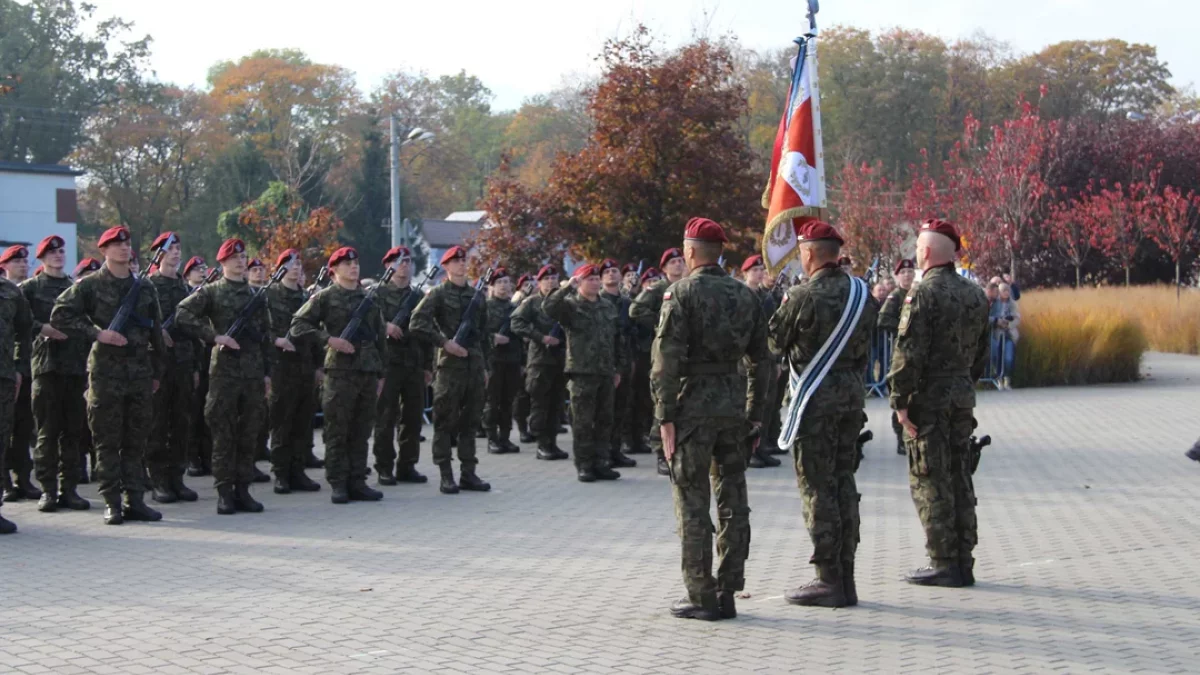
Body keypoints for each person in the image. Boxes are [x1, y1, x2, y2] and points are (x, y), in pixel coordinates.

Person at [653, 217, 769, 621]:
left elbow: (665, 362)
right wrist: (755, 414)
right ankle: (729, 590)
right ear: (720, 252)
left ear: (688, 252)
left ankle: (702, 594)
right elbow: (762, 362)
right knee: (734, 499)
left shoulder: (679, 294)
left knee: (692, 501)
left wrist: (664, 417)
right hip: (733, 408)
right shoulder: (745, 296)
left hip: (693, 409)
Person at [768, 221, 879, 608]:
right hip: (851, 397)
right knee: (843, 482)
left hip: (814, 402)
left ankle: (828, 578)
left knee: (817, 489)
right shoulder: (863, 294)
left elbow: (774, 341)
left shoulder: (802, 296)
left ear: (810, 253)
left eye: (801, 251)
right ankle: (845, 576)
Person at [887, 219, 991, 587]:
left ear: (926, 252)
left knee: (929, 478)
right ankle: (963, 557)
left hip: (928, 398)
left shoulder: (923, 294)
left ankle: (943, 560)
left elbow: (908, 353)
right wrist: (964, 382)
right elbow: (982, 352)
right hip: (961, 396)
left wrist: (899, 400)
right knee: (960, 474)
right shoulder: (976, 294)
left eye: (917, 248)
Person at [51, 226, 166, 525]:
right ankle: (112, 503)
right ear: (103, 250)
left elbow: (155, 330)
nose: (123, 249)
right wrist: (97, 333)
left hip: (140, 372)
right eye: (116, 245)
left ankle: (135, 500)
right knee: (106, 440)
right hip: (106, 373)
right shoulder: (89, 285)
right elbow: (61, 314)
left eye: (127, 243)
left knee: (135, 440)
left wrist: (157, 372)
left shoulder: (145, 287)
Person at [174, 238, 271, 515]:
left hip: (252, 373)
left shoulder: (257, 295)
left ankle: (243, 490)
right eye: (235, 258)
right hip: (225, 372)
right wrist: (213, 336)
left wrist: (267, 373)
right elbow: (183, 313)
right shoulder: (212, 292)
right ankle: (224, 492)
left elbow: (266, 335)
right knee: (224, 434)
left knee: (249, 433)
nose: (241, 262)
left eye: (243, 257)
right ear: (223, 262)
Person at [289, 247, 387, 503]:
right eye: (346, 264)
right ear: (334, 270)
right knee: (337, 430)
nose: (354, 267)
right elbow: (298, 325)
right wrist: (329, 339)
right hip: (339, 371)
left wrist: (381, 373)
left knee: (362, 429)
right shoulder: (324, 297)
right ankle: (338, 482)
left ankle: (358, 481)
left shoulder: (370, 299)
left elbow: (380, 336)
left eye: (355, 263)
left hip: (367, 371)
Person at [410, 246, 493, 494]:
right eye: (455, 261)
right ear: (445, 266)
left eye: (463, 260)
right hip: (449, 368)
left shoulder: (476, 295)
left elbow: (485, 332)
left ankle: (469, 472)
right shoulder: (437, 294)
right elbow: (417, 323)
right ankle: (446, 474)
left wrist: (486, 366)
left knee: (470, 421)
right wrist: (445, 342)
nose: (461, 264)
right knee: (445, 422)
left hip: (474, 365)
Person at [20, 236, 90, 512]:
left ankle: (69, 488)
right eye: (53, 252)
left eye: (62, 252)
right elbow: (20, 320)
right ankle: (48, 490)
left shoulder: (74, 289)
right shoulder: (30, 288)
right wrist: (43, 329)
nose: (59, 256)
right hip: (46, 367)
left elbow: (87, 321)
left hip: (74, 367)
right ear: (42, 258)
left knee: (73, 432)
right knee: (47, 433)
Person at [544, 264, 627, 481]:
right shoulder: (571, 306)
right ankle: (584, 465)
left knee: (604, 420)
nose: (595, 282)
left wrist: (618, 368)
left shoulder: (607, 306)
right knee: (582, 422)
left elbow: (616, 338)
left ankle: (602, 463)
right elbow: (549, 307)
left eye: (596, 279)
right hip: (582, 372)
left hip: (606, 371)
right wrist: (566, 287)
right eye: (588, 279)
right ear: (579, 282)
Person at [144, 232, 200, 505]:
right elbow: (139, 323)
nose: (176, 253)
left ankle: (177, 478)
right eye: (170, 249)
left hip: (183, 363)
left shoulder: (185, 289)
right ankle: (158, 480)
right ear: (158, 254)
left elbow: (195, 329)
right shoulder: (146, 286)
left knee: (181, 422)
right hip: (157, 365)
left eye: (179, 248)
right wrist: (156, 334)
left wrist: (196, 367)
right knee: (157, 423)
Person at [372, 246, 433, 484]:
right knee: (386, 417)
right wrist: (384, 326)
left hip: (414, 363)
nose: (405, 265)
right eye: (399, 261)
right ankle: (384, 467)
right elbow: (366, 325)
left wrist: (428, 365)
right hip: (387, 364)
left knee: (413, 418)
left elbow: (427, 331)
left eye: (408, 261)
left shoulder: (418, 296)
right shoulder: (376, 294)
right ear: (388, 266)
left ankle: (407, 466)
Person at [265, 249, 323, 494]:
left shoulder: (306, 299)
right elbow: (257, 329)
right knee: (282, 422)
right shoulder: (268, 295)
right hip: (280, 366)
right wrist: (276, 340)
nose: (297, 267)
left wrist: (319, 365)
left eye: (298, 263)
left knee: (302, 422)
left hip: (305, 366)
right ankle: (281, 473)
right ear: (280, 269)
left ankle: (298, 471)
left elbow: (316, 332)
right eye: (290, 263)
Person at [631, 247, 688, 476]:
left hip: (685, 352)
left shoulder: (687, 286)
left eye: (680, 261)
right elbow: (635, 310)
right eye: (672, 262)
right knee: (662, 401)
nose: (677, 265)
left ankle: (678, 450)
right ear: (664, 268)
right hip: (664, 353)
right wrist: (659, 323)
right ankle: (661, 453)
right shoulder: (658, 289)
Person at [510, 265, 568, 461]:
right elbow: (516, 322)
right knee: (540, 404)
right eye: (546, 279)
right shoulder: (532, 303)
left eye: (554, 278)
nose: (551, 282)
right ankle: (542, 445)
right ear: (540, 282)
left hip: (560, 360)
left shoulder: (564, 303)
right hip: (540, 361)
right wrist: (540, 337)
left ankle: (552, 443)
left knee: (556, 404)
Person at [1, 244, 40, 503]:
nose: (22, 265)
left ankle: (21, 479)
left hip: (10, 373)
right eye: (17, 262)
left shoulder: (12, 293)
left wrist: (17, 366)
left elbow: (23, 331)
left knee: (16, 427)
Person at [740, 255, 782, 470]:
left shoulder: (766, 297)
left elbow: (773, 329)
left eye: (761, 269)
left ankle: (762, 445)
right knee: (752, 402)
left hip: (766, 355)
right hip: (748, 358)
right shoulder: (741, 295)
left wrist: (776, 360)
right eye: (754, 270)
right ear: (745, 273)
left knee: (768, 403)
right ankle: (750, 448)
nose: (759, 273)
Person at [598, 258, 637, 468]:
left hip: (624, 360)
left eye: (614, 271)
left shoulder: (626, 303)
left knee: (622, 407)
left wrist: (630, 360)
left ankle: (615, 449)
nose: (611, 274)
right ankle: (602, 452)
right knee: (604, 411)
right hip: (603, 362)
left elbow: (632, 333)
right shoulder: (597, 301)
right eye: (607, 272)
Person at [878, 259, 916, 455]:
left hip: (918, 354)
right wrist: (901, 328)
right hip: (900, 354)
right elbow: (883, 320)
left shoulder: (918, 294)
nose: (908, 275)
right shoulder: (894, 297)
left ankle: (912, 435)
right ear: (898, 276)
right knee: (900, 393)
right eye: (904, 272)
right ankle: (900, 437)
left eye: (910, 272)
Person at [482, 267, 522, 455]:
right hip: (494, 360)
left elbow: (521, 335)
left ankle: (505, 438)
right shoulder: (486, 307)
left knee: (508, 401)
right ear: (492, 286)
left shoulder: (515, 308)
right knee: (493, 401)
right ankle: (492, 438)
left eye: (506, 282)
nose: (504, 286)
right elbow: (479, 333)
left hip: (512, 360)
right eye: (499, 283)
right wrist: (493, 338)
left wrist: (522, 362)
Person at [183, 256, 215, 478]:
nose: (202, 272)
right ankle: (193, 457)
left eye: (204, 268)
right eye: (197, 269)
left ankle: (207, 455)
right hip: (191, 357)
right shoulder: (188, 297)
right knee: (193, 413)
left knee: (209, 412)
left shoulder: (211, 295)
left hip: (211, 358)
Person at [990, 283, 1020, 388]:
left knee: (1008, 358)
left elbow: (1017, 319)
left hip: (1008, 335)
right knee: (996, 356)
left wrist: (1008, 325)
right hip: (996, 335)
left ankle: (1007, 378)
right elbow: (989, 317)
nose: (1006, 293)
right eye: (1004, 291)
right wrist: (997, 322)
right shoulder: (994, 304)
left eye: (1008, 290)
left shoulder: (1013, 304)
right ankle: (999, 378)